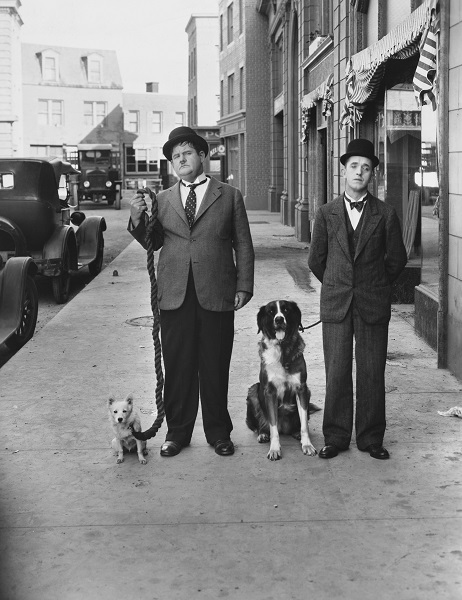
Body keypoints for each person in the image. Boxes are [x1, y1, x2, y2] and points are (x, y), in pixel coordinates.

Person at [128, 126, 255, 457]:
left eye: (186, 153)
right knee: (178, 366)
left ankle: (218, 432)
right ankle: (177, 433)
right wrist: (137, 217)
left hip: (217, 292)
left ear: (203, 155)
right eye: (174, 157)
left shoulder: (229, 195)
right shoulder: (162, 199)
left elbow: (243, 243)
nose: (180, 160)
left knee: (214, 365)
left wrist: (244, 285)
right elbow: (152, 243)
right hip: (174, 294)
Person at [308, 138, 407, 460]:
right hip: (337, 303)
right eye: (354, 166)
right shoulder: (326, 213)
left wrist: (373, 284)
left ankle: (370, 438)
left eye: (366, 168)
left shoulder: (385, 214)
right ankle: (335, 437)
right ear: (344, 170)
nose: (359, 172)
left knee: (371, 371)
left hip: (372, 303)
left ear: (372, 175)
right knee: (336, 371)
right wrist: (340, 283)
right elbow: (315, 260)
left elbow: (397, 259)